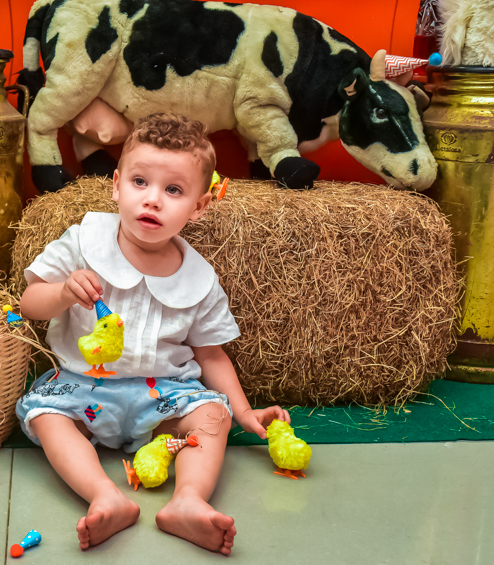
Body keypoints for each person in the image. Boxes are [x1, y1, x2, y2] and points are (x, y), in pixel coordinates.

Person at [17, 113, 290, 556]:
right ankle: (105, 495)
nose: (153, 200)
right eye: (140, 182)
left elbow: (212, 355)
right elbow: (30, 303)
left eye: (174, 190)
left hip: (164, 395)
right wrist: (63, 292)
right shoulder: (85, 240)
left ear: (199, 206)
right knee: (47, 417)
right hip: (83, 387)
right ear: (116, 185)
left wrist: (241, 412)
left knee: (211, 417)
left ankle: (188, 502)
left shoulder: (199, 278)